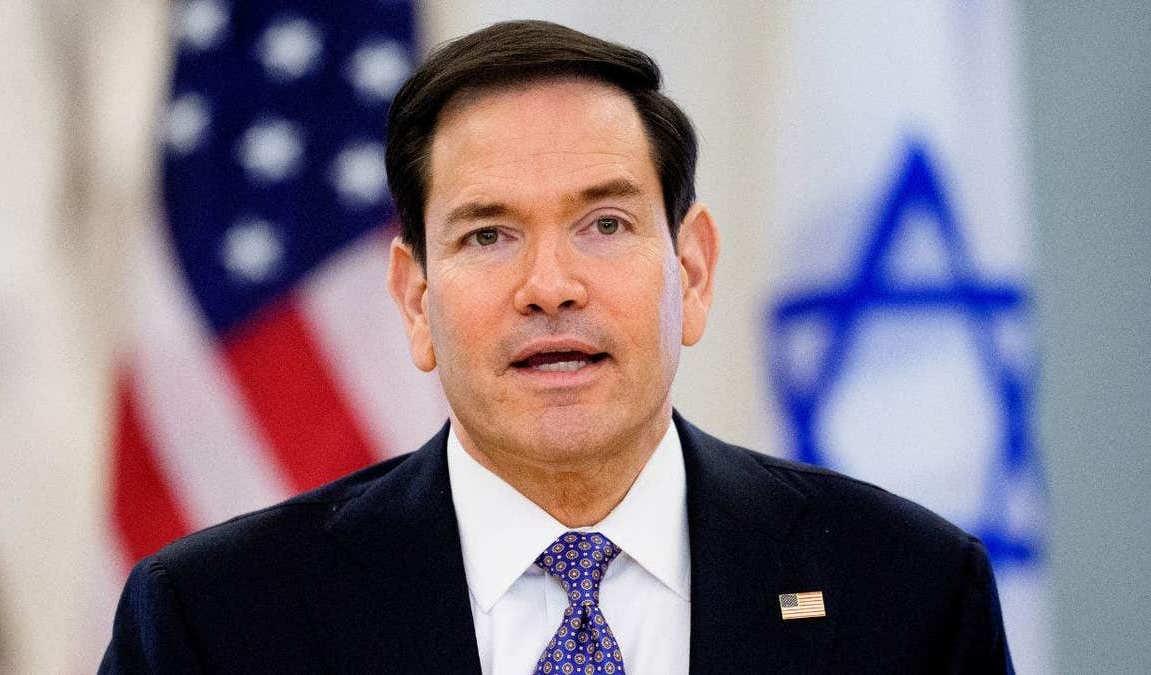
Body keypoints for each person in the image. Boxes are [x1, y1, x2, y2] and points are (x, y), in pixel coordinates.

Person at [101, 20, 1011, 674]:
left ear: (691, 272)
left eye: (605, 223)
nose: (551, 284)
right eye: (488, 235)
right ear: (415, 299)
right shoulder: (214, 624)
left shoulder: (909, 593)